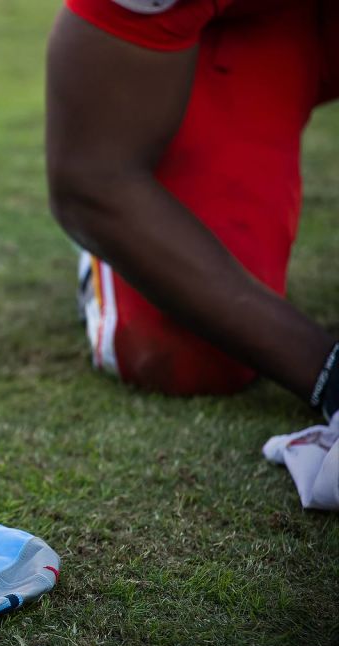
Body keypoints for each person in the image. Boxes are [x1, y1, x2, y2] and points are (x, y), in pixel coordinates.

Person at [46, 0, 339, 419]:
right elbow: (91, 180)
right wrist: (327, 371)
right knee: (188, 354)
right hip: (234, 31)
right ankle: (110, 260)